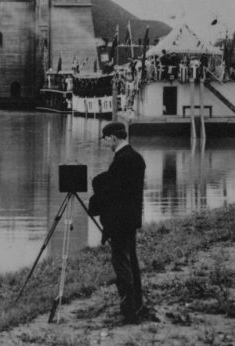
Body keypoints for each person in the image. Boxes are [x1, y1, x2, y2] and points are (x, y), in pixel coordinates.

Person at [91, 121, 146, 324]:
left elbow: (114, 194)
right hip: (131, 219)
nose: (105, 143)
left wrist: (96, 202)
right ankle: (137, 303)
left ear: (114, 137)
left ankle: (128, 307)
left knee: (120, 262)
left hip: (120, 221)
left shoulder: (120, 161)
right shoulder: (137, 158)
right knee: (132, 260)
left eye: (105, 139)